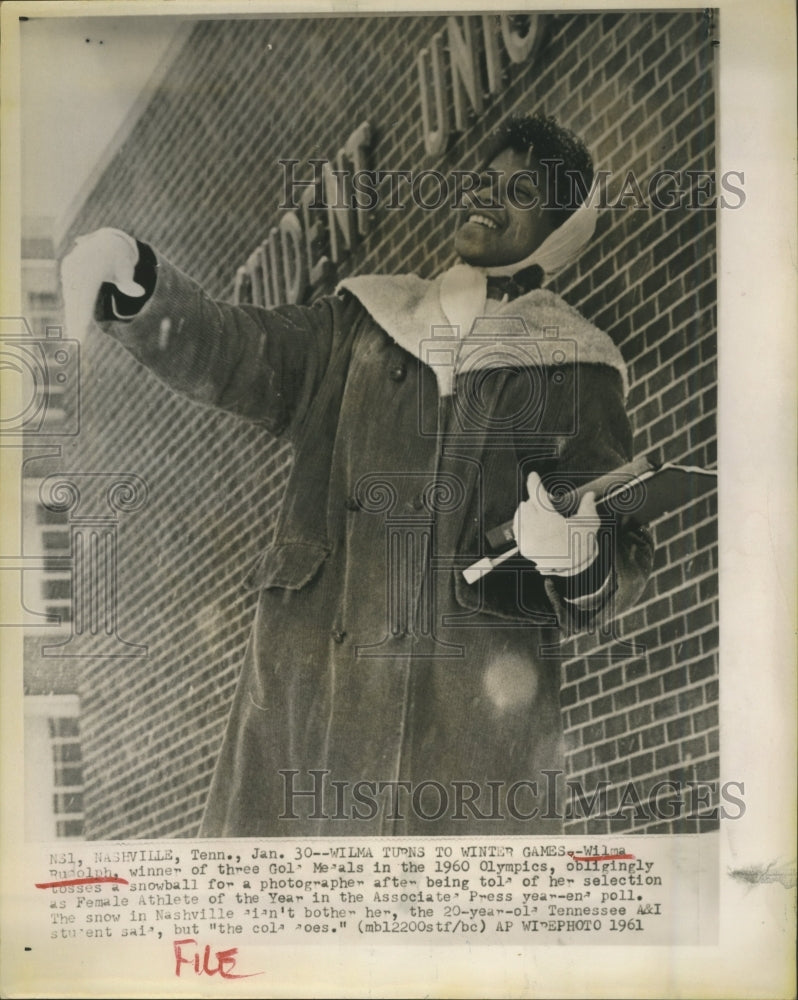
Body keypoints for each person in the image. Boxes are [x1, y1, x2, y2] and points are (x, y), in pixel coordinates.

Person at [61, 111, 653, 837]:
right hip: (311, 707)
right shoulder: (360, 321)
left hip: (466, 741)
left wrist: (576, 551)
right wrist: (139, 282)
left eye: (521, 189)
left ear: (558, 228)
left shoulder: (575, 366)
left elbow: (617, 536)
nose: (489, 196)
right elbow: (239, 350)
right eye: (485, 179)